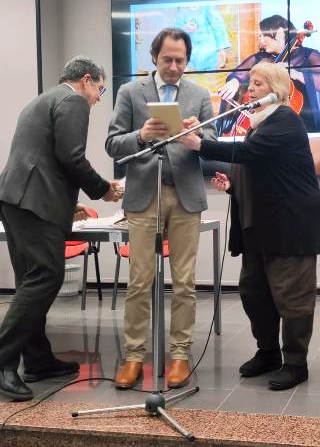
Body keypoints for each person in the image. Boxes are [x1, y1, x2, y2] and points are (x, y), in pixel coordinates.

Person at [0, 56, 122, 402]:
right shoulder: (73, 100)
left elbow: (41, 158)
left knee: (32, 279)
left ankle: (38, 359)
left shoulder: (41, 100)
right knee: (46, 276)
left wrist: (66, 205)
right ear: (87, 80)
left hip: (17, 200)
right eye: (100, 90)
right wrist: (103, 189)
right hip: (32, 203)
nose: (98, 98)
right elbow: (70, 157)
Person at [178, 62, 320, 391]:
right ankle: (268, 352)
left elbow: (251, 153)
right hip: (261, 224)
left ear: (277, 89)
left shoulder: (285, 118)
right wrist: (233, 186)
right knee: (254, 292)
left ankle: (296, 363)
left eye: (259, 83)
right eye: (251, 83)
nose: (250, 89)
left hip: (290, 225)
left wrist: (200, 144)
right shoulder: (259, 123)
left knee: (292, 296)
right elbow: (263, 168)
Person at [105, 27, 216, 390]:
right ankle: (134, 356)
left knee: (184, 282)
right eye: (167, 59)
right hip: (144, 195)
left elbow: (213, 145)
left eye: (180, 60)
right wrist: (141, 135)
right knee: (139, 281)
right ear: (153, 57)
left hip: (185, 196)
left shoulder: (199, 94)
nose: (173, 66)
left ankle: (180, 354)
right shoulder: (130, 92)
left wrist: (198, 137)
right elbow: (112, 144)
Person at [217, 15, 320, 135]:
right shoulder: (259, 58)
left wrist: (297, 74)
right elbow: (239, 74)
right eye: (260, 36)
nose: (261, 41)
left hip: (300, 125)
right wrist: (234, 81)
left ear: (279, 33)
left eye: (264, 35)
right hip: (261, 126)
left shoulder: (310, 56)